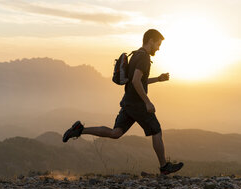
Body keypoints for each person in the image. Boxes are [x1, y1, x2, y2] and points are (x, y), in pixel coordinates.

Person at [62, 29, 184, 175]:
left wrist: (158, 79)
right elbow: (136, 81)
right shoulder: (144, 58)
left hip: (128, 102)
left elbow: (139, 81)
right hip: (137, 104)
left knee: (116, 132)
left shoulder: (136, 54)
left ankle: (79, 130)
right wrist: (147, 102)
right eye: (158, 44)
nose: (159, 48)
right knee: (156, 130)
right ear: (150, 40)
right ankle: (164, 166)